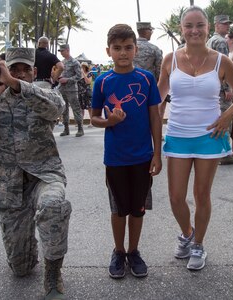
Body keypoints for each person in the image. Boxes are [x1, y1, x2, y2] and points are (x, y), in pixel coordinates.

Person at [0, 47, 72, 300]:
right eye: (14, 69)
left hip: (45, 176)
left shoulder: (42, 95)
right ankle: (26, 246)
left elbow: (57, 109)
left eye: (26, 69)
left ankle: (53, 274)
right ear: (4, 71)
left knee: (54, 205)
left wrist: (16, 86)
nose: (20, 74)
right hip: (10, 188)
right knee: (20, 268)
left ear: (34, 72)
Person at [157, 6, 233, 271]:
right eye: (188, 26)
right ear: (181, 29)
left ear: (208, 28)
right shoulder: (169, 60)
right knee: (175, 197)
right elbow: (157, 99)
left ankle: (198, 244)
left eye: (199, 25)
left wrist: (227, 116)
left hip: (210, 136)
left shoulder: (222, 60)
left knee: (201, 195)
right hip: (177, 136)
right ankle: (187, 233)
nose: (194, 30)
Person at [91, 24, 162, 279]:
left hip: (143, 157)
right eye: (117, 48)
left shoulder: (146, 79)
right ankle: (118, 251)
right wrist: (109, 122)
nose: (123, 53)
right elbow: (94, 119)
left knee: (138, 208)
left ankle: (134, 251)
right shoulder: (102, 82)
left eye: (128, 47)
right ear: (108, 50)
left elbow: (155, 116)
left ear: (136, 49)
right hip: (116, 158)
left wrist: (157, 153)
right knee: (119, 208)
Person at [206, 14, 233, 164]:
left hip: (210, 86)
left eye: (228, 24)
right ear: (217, 25)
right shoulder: (220, 42)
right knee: (225, 118)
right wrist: (227, 87)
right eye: (224, 24)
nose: (227, 26)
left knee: (214, 118)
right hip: (220, 87)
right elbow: (224, 67)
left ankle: (214, 150)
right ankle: (224, 154)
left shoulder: (209, 41)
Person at [58, 43, 83, 137]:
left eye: (62, 51)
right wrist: (59, 78)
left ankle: (80, 128)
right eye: (60, 51)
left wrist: (67, 80)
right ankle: (66, 128)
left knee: (76, 108)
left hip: (71, 89)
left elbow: (79, 76)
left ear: (68, 50)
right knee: (64, 109)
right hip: (62, 88)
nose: (61, 53)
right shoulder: (62, 62)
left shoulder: (75, 62)